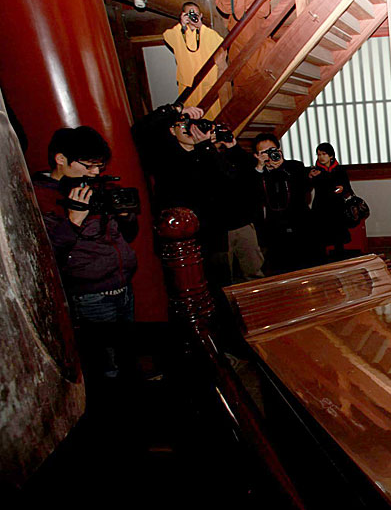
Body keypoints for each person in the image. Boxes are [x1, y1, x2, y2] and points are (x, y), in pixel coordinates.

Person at [33, 126, 137, 376]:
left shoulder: (97, 186)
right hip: (90, 296)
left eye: (99, 166)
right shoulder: (40, 197)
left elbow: (128, 234)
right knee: (105, 366)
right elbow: (44, 255)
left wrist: (125, 215)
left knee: (127, 355)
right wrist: (73, 221)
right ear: (61, 159)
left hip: (123, 286)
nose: (96, 172)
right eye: (89, 165)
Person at [133, 103, 263, 285]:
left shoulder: (208, 155)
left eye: (195, 124)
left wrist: (213, 146)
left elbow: (234, 180)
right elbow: (140, 131)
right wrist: (176, 110)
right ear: (172, 130)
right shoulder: (164, 156)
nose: (190, 129)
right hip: (181, 238)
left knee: (222, 284)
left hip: (214, 236)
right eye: (184, 124)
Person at [252, 132, 316, 274]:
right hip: (275, 229)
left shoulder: (295, 166)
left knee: (308, 267)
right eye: (264, 152)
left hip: (301, 224)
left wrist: (281, 168)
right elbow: (254, 196)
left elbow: (306, 188)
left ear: (279, 150)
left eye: (272, 150)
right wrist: (260, 168)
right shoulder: (258, 173)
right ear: (256, 155)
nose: (269, 155)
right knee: (281, 269)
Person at [214, 0, 274, 94]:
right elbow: (224, 8)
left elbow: (265, 11)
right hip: (238, 45)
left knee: (264, 72)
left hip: (258, 41)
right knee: (242, 81)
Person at [162, 1, 227, 120]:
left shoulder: (208, 33)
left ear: (201, 15)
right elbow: (167, 36)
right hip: (188, 83)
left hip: (207, 83)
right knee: (191, 116)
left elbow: (221, 45)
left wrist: (200, 26)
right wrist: (182, 26)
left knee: (212, 116)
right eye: (189, 14)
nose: (193, 17)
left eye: (196, 14)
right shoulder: (179, 33)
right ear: (183, 15)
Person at [308, 142, 353, 261]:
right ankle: (322, 262)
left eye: (324, 154)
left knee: (339, 238)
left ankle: (340, 260)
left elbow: (347, 187)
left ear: (331, 155)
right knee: (320, 238)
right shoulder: (314, 171)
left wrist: (343, 189)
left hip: (337, 207)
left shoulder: (340, 169)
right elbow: (307, 187)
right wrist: (310, 177)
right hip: (321, 207)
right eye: (318, 154)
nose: (321, 157)